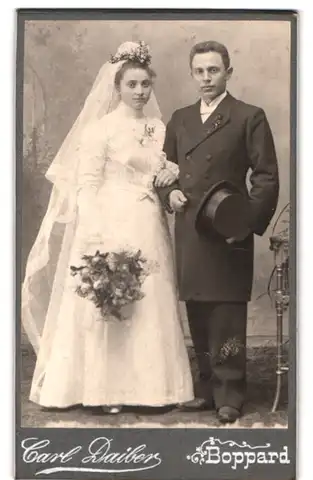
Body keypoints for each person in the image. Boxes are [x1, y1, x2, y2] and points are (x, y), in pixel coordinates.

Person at [22, 41, 194, 414]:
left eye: (145, 84)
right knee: (111, 299)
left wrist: (169, 173)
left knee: (151, 299)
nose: (139, 92)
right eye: (131, 84)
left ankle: (153, 390)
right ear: (116, 87)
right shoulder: (100, 129)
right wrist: (95, 232)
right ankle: (105, 390)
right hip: (110, 219)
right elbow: (87, 183)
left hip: (148, 222)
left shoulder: (158, 127)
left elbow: (165, 171)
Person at [157, 40, 279, 423]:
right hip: (191, 229)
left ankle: (230, 394)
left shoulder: (248, 116)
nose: (206, 78)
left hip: (228, 230)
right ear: (192, 73)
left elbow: (266, 177)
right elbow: (163, 170)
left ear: (228, 71)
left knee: (225, 312)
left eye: (213, 70)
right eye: (199, 71)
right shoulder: (179, 119)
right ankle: (207, 388)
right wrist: (169, 192)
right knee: (199, 311)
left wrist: (245, 224)